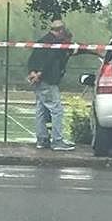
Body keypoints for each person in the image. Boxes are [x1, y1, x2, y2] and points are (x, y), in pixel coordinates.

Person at [27, 18, 76, 151]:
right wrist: (40, 74)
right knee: (57, 110)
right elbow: (49, 61)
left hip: (38, 81)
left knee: (41, 109)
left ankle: (42, 140)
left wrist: (32, 73)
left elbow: (32, 59)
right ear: (61, 31)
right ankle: (57, 141)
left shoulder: (41, 41)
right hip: (48, 80)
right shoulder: (56, 45)